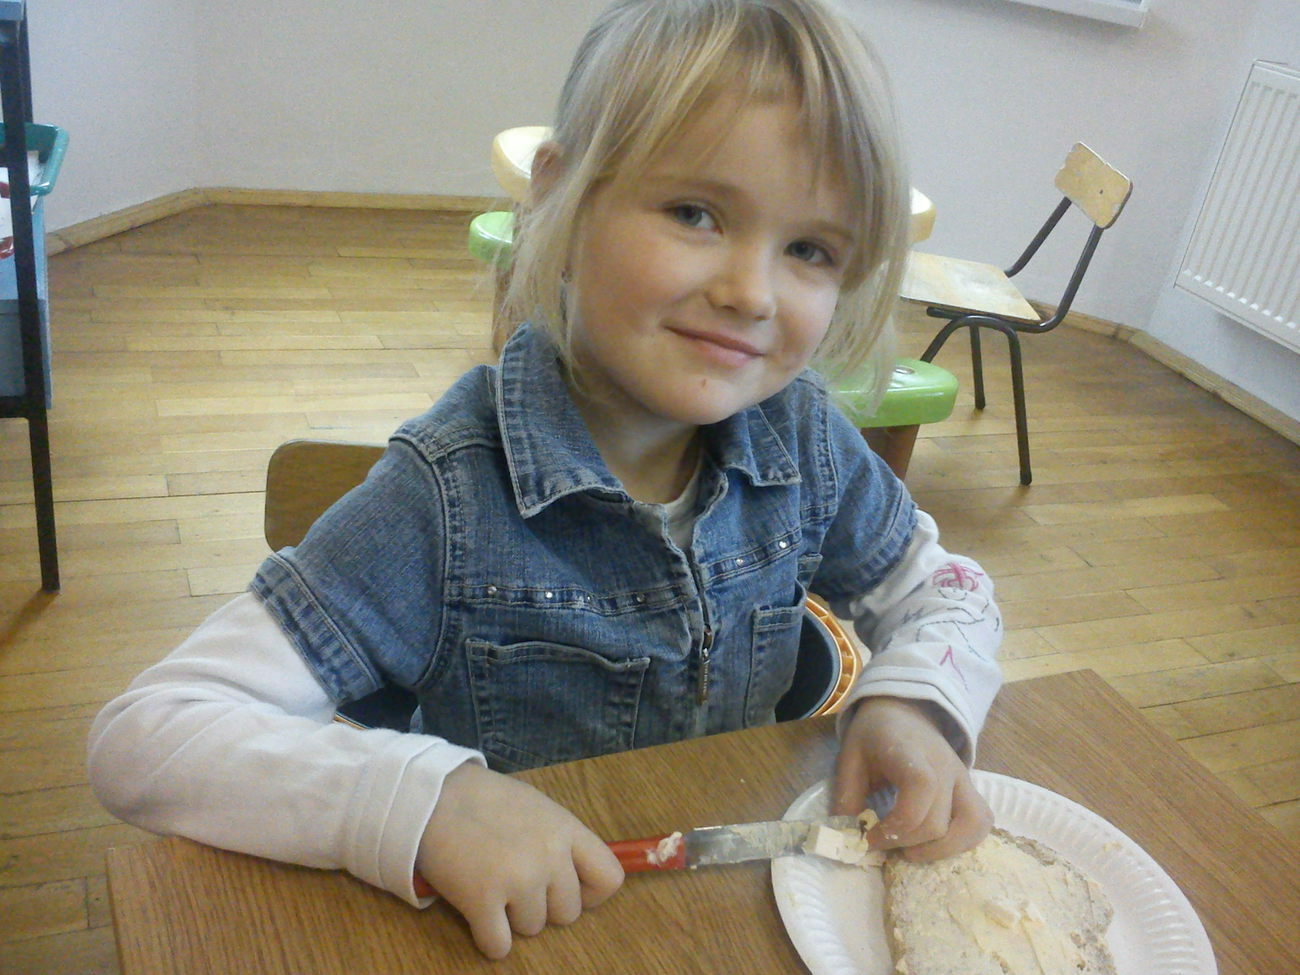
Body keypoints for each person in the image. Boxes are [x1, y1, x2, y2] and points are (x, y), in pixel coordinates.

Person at [88, 0, 1002, 960]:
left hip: (725, 920)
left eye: (809, 249)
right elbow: (149, 736)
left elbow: (950, 590)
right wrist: (430, 801)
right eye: (695, 213)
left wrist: (914, 702)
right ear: (561, 197)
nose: (751, 291)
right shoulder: (445, 497)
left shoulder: (804, 437)